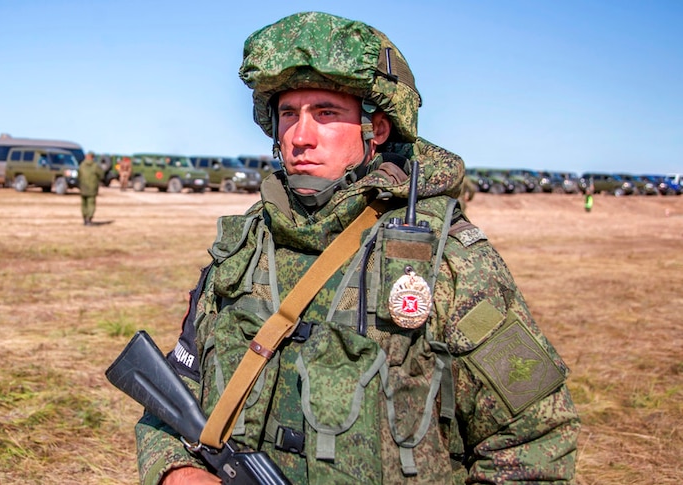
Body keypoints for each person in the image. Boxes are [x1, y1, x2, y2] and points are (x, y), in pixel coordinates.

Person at [133, 12, 579, 484]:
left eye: (326, 113)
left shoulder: (445, 259)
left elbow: (534, 439)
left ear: (377, 129)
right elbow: (174, 389)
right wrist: (177, 471)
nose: (299, 136)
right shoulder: (244, 248)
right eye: (289, 114)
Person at [78, 152, 104, 226]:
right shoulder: (95, 166)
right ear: (93, 157)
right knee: (91, 204)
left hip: (83, 188)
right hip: (92, 188)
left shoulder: (82, 165)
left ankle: (84, 219)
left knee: (84, 204)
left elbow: (79, 176)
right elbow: (101, 175)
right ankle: (89, 219)